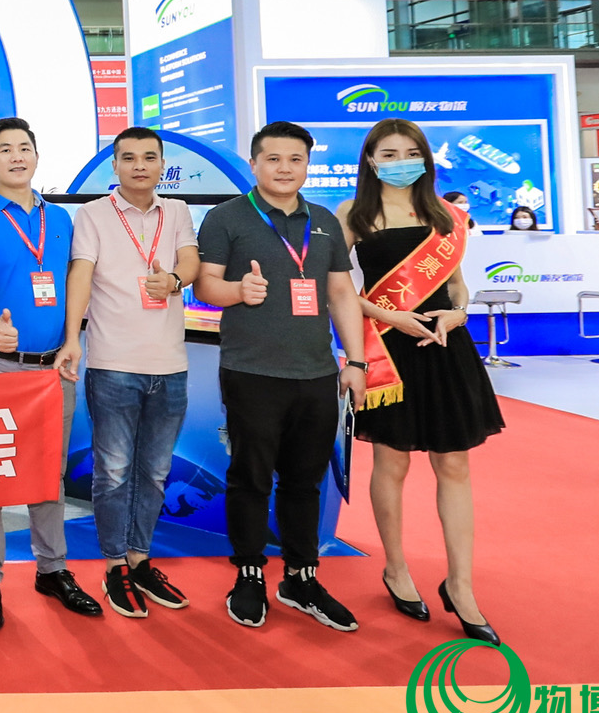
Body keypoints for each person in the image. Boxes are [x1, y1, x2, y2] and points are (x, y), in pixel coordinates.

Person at [194, 121, 367, 634]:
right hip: (251, 371)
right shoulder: (227, 217)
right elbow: (204, 285)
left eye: (296, 159)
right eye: (273, 159)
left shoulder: (324, 222)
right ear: (254, 164)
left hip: (316, 373)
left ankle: (301, 578)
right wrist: (237, 292)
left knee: (304, 481)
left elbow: (341, 293)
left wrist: (356, 362)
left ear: (307, 165)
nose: (285, 168)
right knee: (249, 477)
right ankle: (249, 574)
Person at [338, 119, 504, 646]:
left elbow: (458, 286)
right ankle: (395, 568)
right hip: (389, 350)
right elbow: (333, 287)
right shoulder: (353, 214)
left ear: (426, 159)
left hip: (444, 345)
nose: (401, 161)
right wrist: (387, 315)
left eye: (411, 152)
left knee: (454, 464)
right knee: (392, 463)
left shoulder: (447, 215)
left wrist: (458, 313)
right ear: (370, 160)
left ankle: (461, 585)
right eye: (389, 153)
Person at [0, 117, 98, 631]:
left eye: (24, 148)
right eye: (5, 150)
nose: (16, 157)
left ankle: (52, 569)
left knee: (48, 472)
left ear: (36, 156)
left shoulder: (60, 218)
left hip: (53, 368)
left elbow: (75, 284)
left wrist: (72, 339)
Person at [57, 126, 200, 619]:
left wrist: (175, 280)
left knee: (155, 473)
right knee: (114, 473)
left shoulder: (176, 211)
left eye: (149, 157)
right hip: (113, 364)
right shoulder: (93, 214)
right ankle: (115, 564)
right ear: (115, 166)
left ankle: (140, 560)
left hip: (170, 366)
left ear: (162, 165)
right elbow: (80, 275)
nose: (140, 165)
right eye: (129, 158)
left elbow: (190, 260)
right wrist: (72, 338)